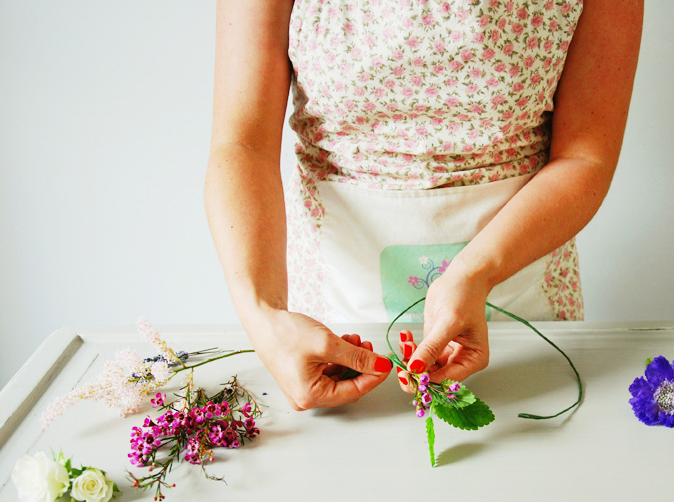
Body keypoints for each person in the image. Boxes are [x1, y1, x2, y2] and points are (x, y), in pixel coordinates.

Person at [204, 0, 643, 411]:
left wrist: (475, 273)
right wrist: (265, 318)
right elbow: (243, 144)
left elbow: (585, 157)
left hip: (522, 301)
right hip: (331, 320)